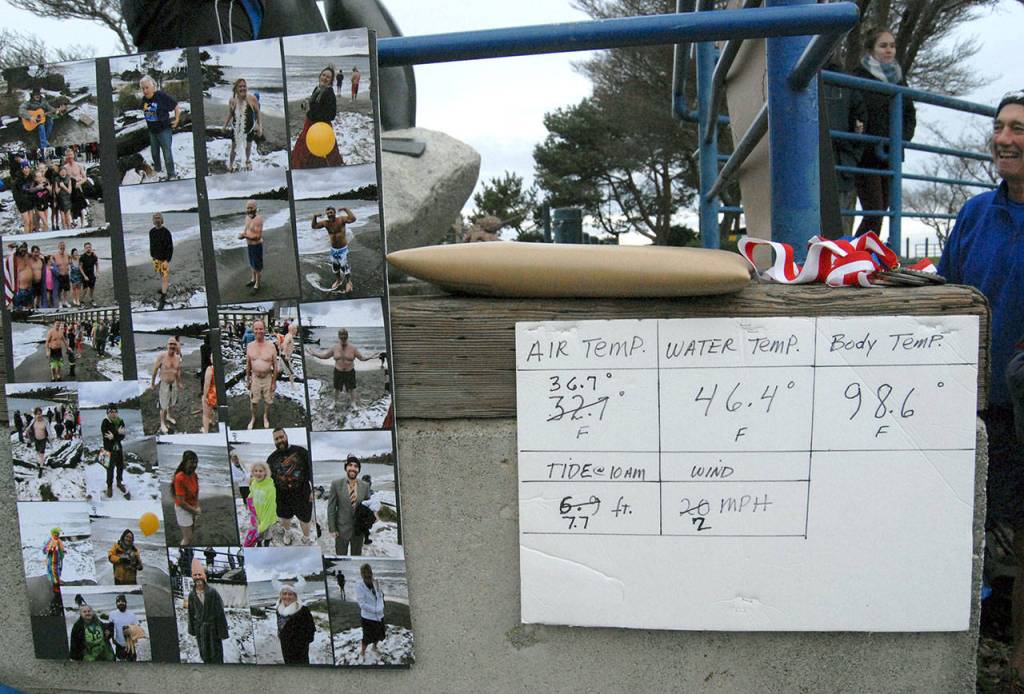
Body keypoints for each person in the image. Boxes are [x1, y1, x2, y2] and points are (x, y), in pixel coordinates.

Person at [938, 90, 1024, 688]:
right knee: (970, 526)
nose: (1004, 139)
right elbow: (948, 293)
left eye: (1019, 129)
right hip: (974, 404)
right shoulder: (973, 214)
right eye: (999, 127)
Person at [851, 27, 916, 238]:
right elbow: (854, 110)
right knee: (875, 211)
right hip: (867, 154)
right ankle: (855, 255)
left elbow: (909, 115)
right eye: (883, 45)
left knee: (884, 209)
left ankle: (865, 255)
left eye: (892, 45)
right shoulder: (858, 76)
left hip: (891, 155)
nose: (889, 50)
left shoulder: (899, 79)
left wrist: (901, 140)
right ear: (871, 50)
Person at [266, 428, 314, 545]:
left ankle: (306, 537)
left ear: (286, 437)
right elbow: (266, 479)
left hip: (302, 492)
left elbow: (313, 470)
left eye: (281, 437)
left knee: (305, 518)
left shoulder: (301, 451)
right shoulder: (271, 458)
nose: (279, 440)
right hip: (282, 495)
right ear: (274, 441)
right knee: (285, 517)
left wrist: (314, 489)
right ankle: (287, 532)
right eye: (276, 439)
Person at [289, 65, 343, 169]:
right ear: (320, 76)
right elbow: (312, 101)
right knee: (304, 145)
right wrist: (306, 103)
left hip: (321, 128)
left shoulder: (330, 93)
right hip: (309, 124)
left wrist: (312, 114)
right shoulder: (317, 89)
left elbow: (331, 115)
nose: (325, 78)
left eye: (328, 77)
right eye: (323, 75)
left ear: (331, 81)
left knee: (322, 150)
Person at [309, 328, 373, 410]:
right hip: (338, 371)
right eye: (341, 335)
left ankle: (353, 403)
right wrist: (314, 354)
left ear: (347, 336)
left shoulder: (353, 348)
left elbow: (361, 358)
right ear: (339, 336)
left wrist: (370, 357)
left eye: (345, 335)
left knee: (352, 388)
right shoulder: (334, 347)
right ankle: (334, 402)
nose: (343, 337)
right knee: (336, 388)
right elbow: (324, 356)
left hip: (350, 371)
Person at [187, 558, 229, 664]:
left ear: (204, 577)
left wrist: (222, 632)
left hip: (213, 629)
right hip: (200, 629)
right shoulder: (192, 595)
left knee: (216, 654)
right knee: (204, 654)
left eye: (200, 575)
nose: (198, 578)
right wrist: (192, 629)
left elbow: (220, 612)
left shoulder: (212, 592)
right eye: (195, 576)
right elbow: (191, 613)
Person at [328, 454, 370, 555]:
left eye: (356, 466)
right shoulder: (336, 484)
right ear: (346, 467)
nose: (353, 468)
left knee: (357, 557)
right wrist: (332, 529)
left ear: (358, 470)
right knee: (341, 558)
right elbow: (331, 508)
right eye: (350, 465)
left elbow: (368, 506)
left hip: (359, 531)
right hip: (341, 530)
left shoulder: (365, 486)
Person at [139, 75, 180, 180]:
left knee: (167, 153)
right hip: (152, 131)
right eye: (143, 88)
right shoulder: (144, 99)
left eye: (147, 87)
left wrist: (177, 119)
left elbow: (176, 106)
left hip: (164, 130)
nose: (145, 90)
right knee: (154, 152)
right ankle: (157, 169)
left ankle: (171, 174)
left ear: (153, 86)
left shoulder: (160, 96)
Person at [311, 206, 357, 292]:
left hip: (343, 249)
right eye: (328, 213)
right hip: (333, 249)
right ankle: (338, 280)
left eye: (331, 212)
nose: (329, 214)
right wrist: (315, 216)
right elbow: (314, 226)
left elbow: (353, 219)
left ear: (334, 213)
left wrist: (345, 209)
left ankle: (348, 282)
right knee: (335, 267)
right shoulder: (325, 223)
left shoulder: (341, 219)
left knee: (344, 267)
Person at [223, 78, 263, 172]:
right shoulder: (232, 100)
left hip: (249, 128)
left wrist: (260, 127)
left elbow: (258, 112)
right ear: (236, 89)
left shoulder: (252, 99)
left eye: (244, 86)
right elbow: (230, 114)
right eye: (240, 86)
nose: (243, 88)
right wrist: (225, 125)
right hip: (236, 129)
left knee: (248, 147)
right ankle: (231, 164)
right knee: (233, 148)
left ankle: (247, 160)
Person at [246, 320, 278, 429]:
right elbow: (248, 364)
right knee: (254, 402)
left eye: (261, 329)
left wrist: (274, 382)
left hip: (268, 378)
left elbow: (275, 366)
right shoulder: (249, 346)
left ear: (264, 330)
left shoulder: (271, 346)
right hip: (255, 378)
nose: (258, 331)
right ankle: (253, 418)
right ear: (253, 330)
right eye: (256, 329)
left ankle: (265, 416)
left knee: (268, 401)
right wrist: (248, 380)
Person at [275, 583, 315, 664]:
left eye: (290, 594)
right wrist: (280, 636)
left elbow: (311, 630)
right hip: (285, 646)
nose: (287, 597)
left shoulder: (303, 610)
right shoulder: (279, 610)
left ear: (295, 596)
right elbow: (280, 626)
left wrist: (301, 644)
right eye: (284, 594)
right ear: (281, 595)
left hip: (300, 650)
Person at [151, 337, 183, 434]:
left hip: (173, 383)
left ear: (176, 345)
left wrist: (179, 382)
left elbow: (177, 371)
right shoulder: (161, 356)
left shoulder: (178, 358)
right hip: (164, 383)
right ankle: (162, 423)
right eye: (170, 344)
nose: (172, 346)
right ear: (167, 345)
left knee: (172, 402)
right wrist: (152, 383)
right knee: (163, 406)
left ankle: (169, 416)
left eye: (174, 344)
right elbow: (155, 370)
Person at [355, 563, 385, 663]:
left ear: (371, 573)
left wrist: (381, 606)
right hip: (368, 617)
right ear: (362, 574)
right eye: (365, 573)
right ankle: (362, 652)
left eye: (369, 573)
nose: (368, 575)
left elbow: (380, 595)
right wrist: (375, 609)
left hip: (379, 615)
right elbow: (362, 604)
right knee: (367, 637)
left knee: (379, 634)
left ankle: (374, 647)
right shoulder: (359, 586)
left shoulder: (375, 582)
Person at [244, 460, 277, 547]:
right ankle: (259, 544)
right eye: (256, 471)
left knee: (266, 535)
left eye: (260, 471)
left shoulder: (270, 488)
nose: (258, 473)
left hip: (267, 518)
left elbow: (271, 507)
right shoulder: (254, 482)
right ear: (253, 472)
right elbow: (252, 492)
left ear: (265, 472)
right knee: (258, 536)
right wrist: (249, 499)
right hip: (256, 515)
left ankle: (266, 546)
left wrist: (264, 524)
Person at [173, 450, 201, 545]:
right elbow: (181, 502)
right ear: (185, 462)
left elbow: (196, 491)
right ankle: (183, 555)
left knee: (191, 532)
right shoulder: (179, 477)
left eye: (196, 462)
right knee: (187, 538)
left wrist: (196, 506)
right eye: (192, 462)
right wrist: (194, 511)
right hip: (183, 509)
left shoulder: (194, 475)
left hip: (192, 506)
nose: (194, 465)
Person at [19, 88, 58, 153]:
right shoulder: (29, 102)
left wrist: (55, 110)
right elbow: (21, 110)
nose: (37, 96)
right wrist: (30, 117)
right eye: (35, 95)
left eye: (38, 94)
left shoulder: (43, 101)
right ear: (32, 95)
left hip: (41, 118)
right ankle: (43, 146)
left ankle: (45, 140)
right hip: (33, 122)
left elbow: (49, 108)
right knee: (41, 126)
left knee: (50, 121)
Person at [101, 404, 128, 498]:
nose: (114, 414)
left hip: (118, 448)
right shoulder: (105, 422)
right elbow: (107, 437)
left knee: (120, 466)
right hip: (108, 449)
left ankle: (119, 482)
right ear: (108, 412)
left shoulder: (121, 421)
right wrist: (117, 434)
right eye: (111, 412)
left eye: (115, 411)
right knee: (110, 469)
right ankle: (109, 486)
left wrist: (114, 436)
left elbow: (123, 436)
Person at [238, 200, 265, 293]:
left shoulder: (259, 219)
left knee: (257, 266)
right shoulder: (247, 218)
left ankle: (257, 284)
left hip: (256, 246)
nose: (249, 210)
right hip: (249, 245)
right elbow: (246, 230)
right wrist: (242, 235)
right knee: (252, 264)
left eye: (251, 208)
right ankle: (253, 279)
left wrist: (245, 236)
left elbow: (258, 237)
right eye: (247, 208)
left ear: (255, 208)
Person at [149, 212, 174, 309]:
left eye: (159, 218)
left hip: (164, 259)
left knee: (164, 277)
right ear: (153, 220)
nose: (157, 219)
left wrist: (167, 260)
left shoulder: (166, 232)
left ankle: (163, 298)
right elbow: (152, 244)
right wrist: (152, 256)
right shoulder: (151, 232)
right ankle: (164, 289)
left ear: (162, 220)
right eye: (155, 218)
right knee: (161, 275)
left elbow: (170, 247)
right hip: (156, 258)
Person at [108, 594, 141, 661]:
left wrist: (134, 637)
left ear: (126, 602)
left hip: (130, 643)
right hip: (119, 643)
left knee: (132, 661)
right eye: (118, 601)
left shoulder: (132, 614)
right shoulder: (112, 614)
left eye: (122, 601)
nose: (120, 603)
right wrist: (113, 639)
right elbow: (110, 628)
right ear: (116, 603)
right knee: (121, 661)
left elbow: (137, 628)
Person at [25, 407, 53, 473]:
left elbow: (49, 430)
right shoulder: (33, 421)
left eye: (40, 414)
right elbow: (29, 428)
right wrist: (27, 430)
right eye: (37, 414)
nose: (39, 415)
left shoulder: (45, 421)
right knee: (38, 451)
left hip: (43, 439)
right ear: (35, 415)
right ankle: (41, 462)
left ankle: (41, 467)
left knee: (42, 453)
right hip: (36, 439)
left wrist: (50, 437)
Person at [42, 527, 65, 593]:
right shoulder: (50, 541)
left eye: (58, 535)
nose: (57, 536)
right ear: (52, 534)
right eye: (56, 535)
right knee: (53, 571)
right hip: (52, 558)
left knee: (58, 569)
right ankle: (55, 586)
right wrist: (50, 549)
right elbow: (44, 550)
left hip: (58, 557)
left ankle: (57, 583)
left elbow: (61, 548)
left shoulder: (59, 540)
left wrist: (63, 552)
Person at [79, 242, 99, 307]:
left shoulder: (94, 256)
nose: (88, 249)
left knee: (92, 288)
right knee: (85, 290)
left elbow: (97, 264)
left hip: (92, 275)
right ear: (84, 248)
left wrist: (97, 272)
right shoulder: (82, 257)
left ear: (91, 248)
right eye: (87, 247)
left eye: (89, 247)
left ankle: (91, 299)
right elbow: (80, 267)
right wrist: (84, 276)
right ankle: (81, 301)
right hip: (85, 275)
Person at [202, 356, 217, 434]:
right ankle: (212, 421)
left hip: (211, 393)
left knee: (205, 414)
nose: (210, 358)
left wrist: (204, 396)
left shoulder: (210, 369)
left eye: (211, 356)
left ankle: (206, 431)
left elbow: (206, 384)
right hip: (218, 393)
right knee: (211, 408)